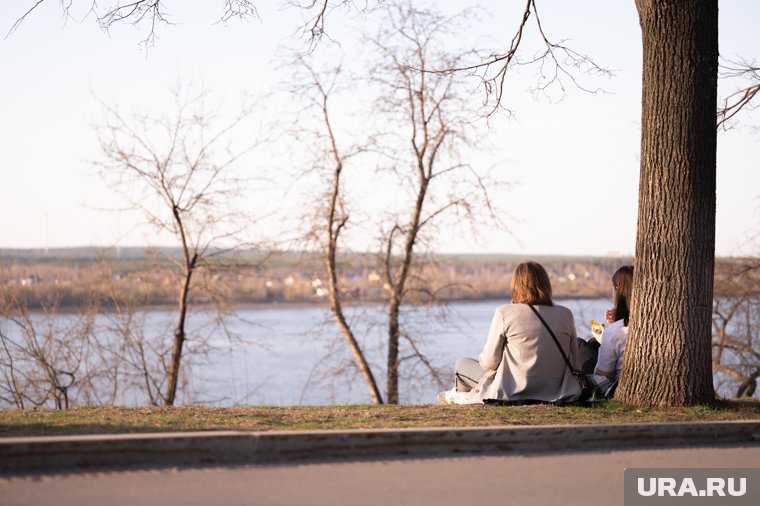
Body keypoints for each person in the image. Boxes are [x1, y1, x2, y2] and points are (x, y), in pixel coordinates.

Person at [438, 261, 581, 404]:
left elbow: (489, 363)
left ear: (516, 286)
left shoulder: (505, 313)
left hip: (511, 390)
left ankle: (462, 402)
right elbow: (575, 364)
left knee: (461, 365)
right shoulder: (565, 314)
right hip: (558, 391)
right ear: (546, 285)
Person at [591, 265, 633, 397]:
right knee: (593, 342)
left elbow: (603, 377)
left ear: (618, 290)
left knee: (583, 346)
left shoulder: (615, 331)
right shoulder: (649, 323)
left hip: (617, 390)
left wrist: (605, 337)